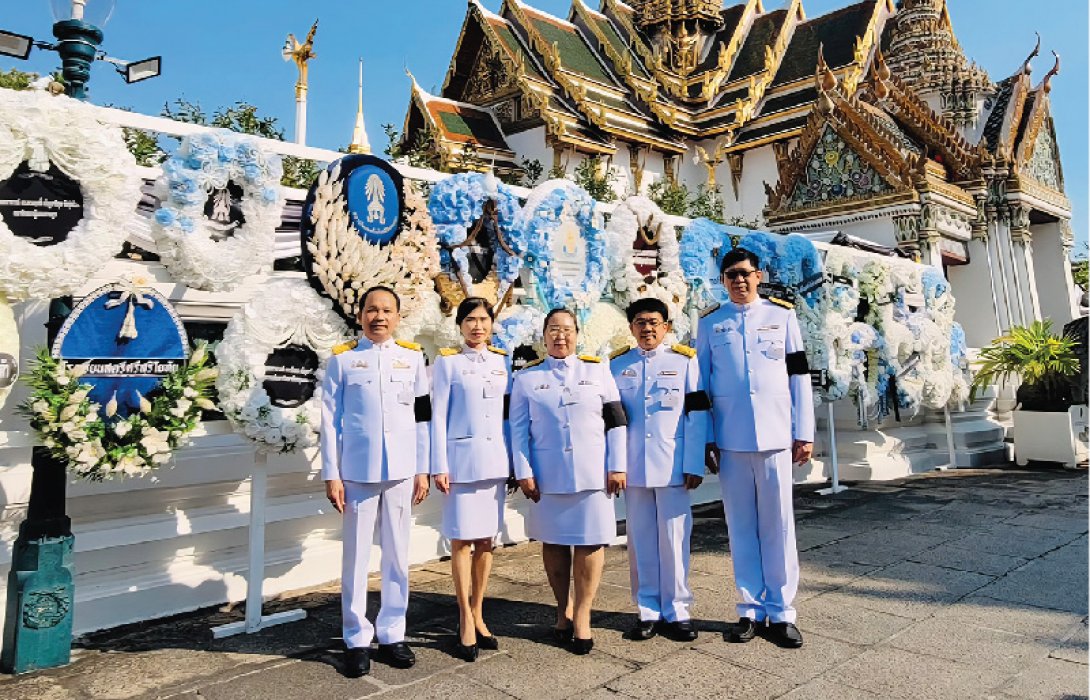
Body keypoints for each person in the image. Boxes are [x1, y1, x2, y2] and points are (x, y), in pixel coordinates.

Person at [696, 248, 814, 649]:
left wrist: (805, 430)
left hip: (777, 437)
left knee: (778, 525)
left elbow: (799, 374)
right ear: (723, 279)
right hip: (731, 440)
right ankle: (749, 608)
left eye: (745, 274)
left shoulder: (781, 316)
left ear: (759, 276)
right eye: (731, 275)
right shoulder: (711, 322)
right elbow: (702, 388)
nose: (739, 281)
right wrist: (706, 438)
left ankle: (781, 612)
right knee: (741, 526)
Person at [321, 286, 432, 677]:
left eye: (386, 310)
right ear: (361, 315)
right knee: (355, 557)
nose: (379, 317)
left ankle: (392, 633)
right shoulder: (343, 361)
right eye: (372, 310)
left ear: (398, 317)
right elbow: (330, 423)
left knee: (398, 554)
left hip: (401, 470)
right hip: (358, 471)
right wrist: (332, 473)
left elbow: (423, 418)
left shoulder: (412, 359)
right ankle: (355, 637)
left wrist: (423, 467)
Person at [509, 308, 627, 654]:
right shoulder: (526, 379)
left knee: (591, 544)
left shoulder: (598, 370)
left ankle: (584, 614)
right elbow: (517, 431)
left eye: (567, 329)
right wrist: (524, 471)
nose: (560, 336)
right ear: (543, 336)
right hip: (549, 475)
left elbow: (616, 421)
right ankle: (562, 610)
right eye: (553, 330)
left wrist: (617, 465)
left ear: (578, 334)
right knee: (555, 544)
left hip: (593, 475)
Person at [610, 297, 709, 643]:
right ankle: (648, 609)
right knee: (640, 541)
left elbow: (697, 414)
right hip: (634, 467)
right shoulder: (617, 365)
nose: (647, 328)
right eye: (640, 322)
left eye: (654, 322)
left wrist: (694, 461)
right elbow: (612, 421)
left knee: (674, 539)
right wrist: (615, 465)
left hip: (674, 465)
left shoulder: (684, 361)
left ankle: (679, 610)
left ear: (666, 326)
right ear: (631, 327)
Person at [430, 297, 511, 662]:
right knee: (461, 541)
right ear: (460, 325)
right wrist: (439, 465)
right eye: (471, 320)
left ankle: (479, 611)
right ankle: (463, 615)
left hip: (494, 464)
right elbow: (438, 418)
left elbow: (509, 418)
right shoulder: (447, 362)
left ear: (492, 324)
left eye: (483, 320)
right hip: (461, 464)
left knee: (486, 542)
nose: (477, 326)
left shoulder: (502, 362)